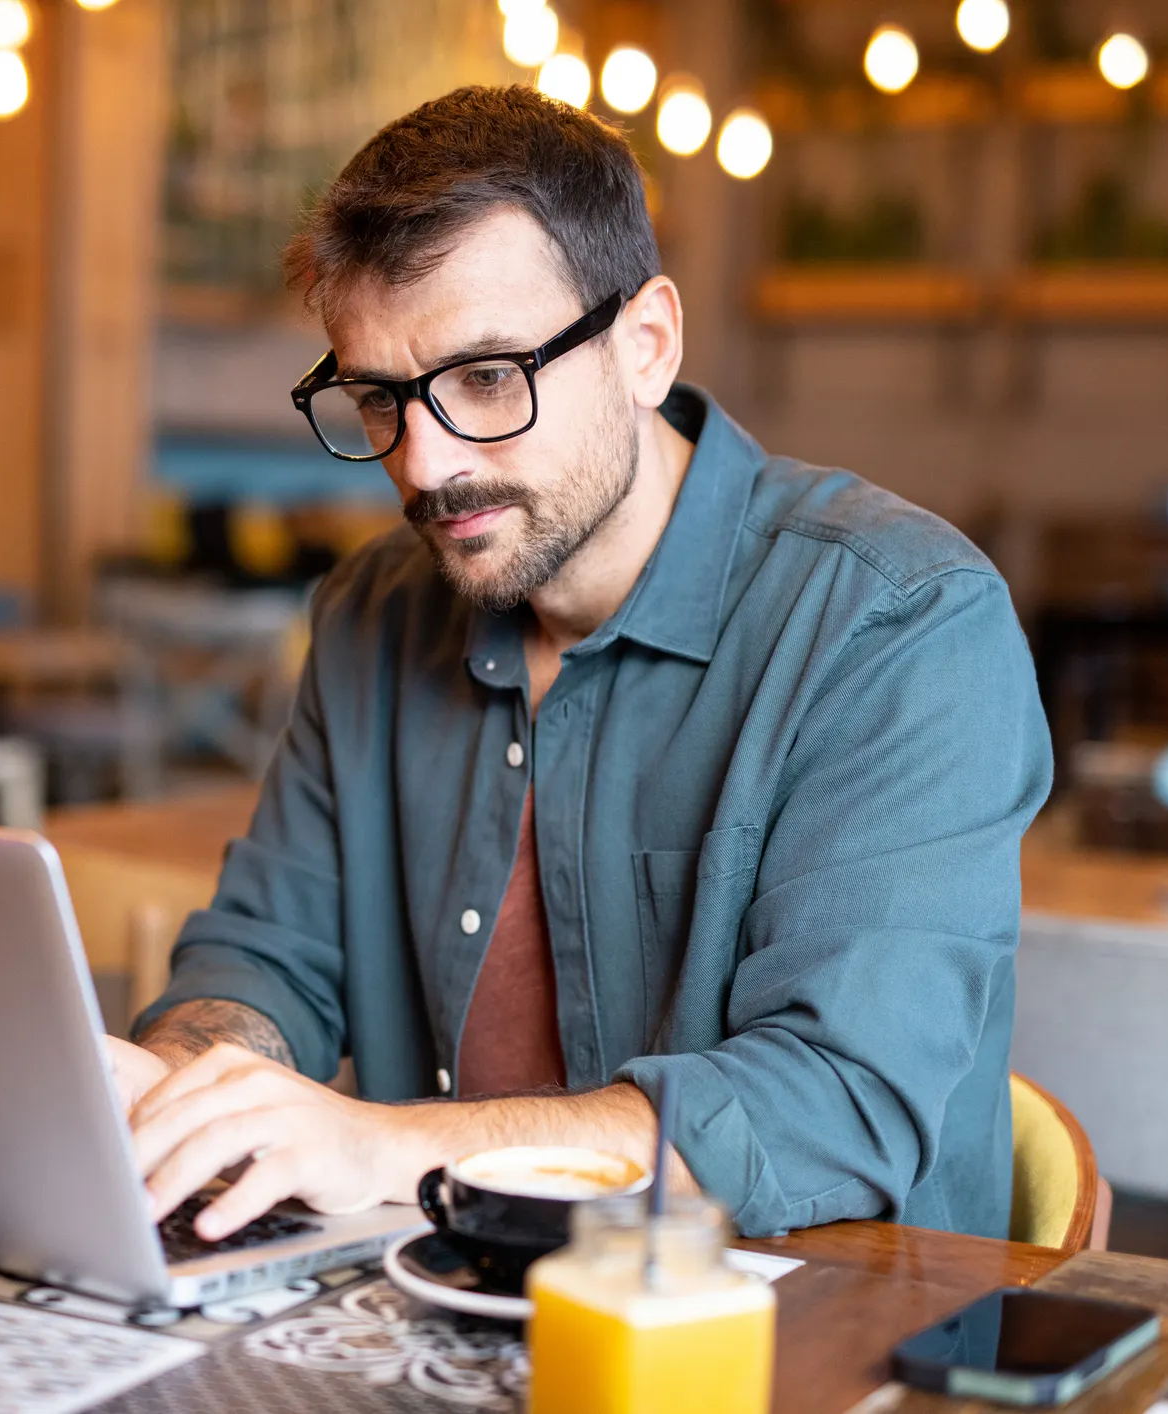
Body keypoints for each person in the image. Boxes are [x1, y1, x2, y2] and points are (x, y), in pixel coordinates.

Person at [104, 85, 1051, 1248]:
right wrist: (180, 1087)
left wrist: (384, 1146)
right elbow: (264, 954)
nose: (426, 463)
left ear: (644, 345)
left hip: (789, 1340)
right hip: (441, 1314)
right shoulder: (372, 614)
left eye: (489, 377)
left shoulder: (896, 624)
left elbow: (830, 1104)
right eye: (378, 398)